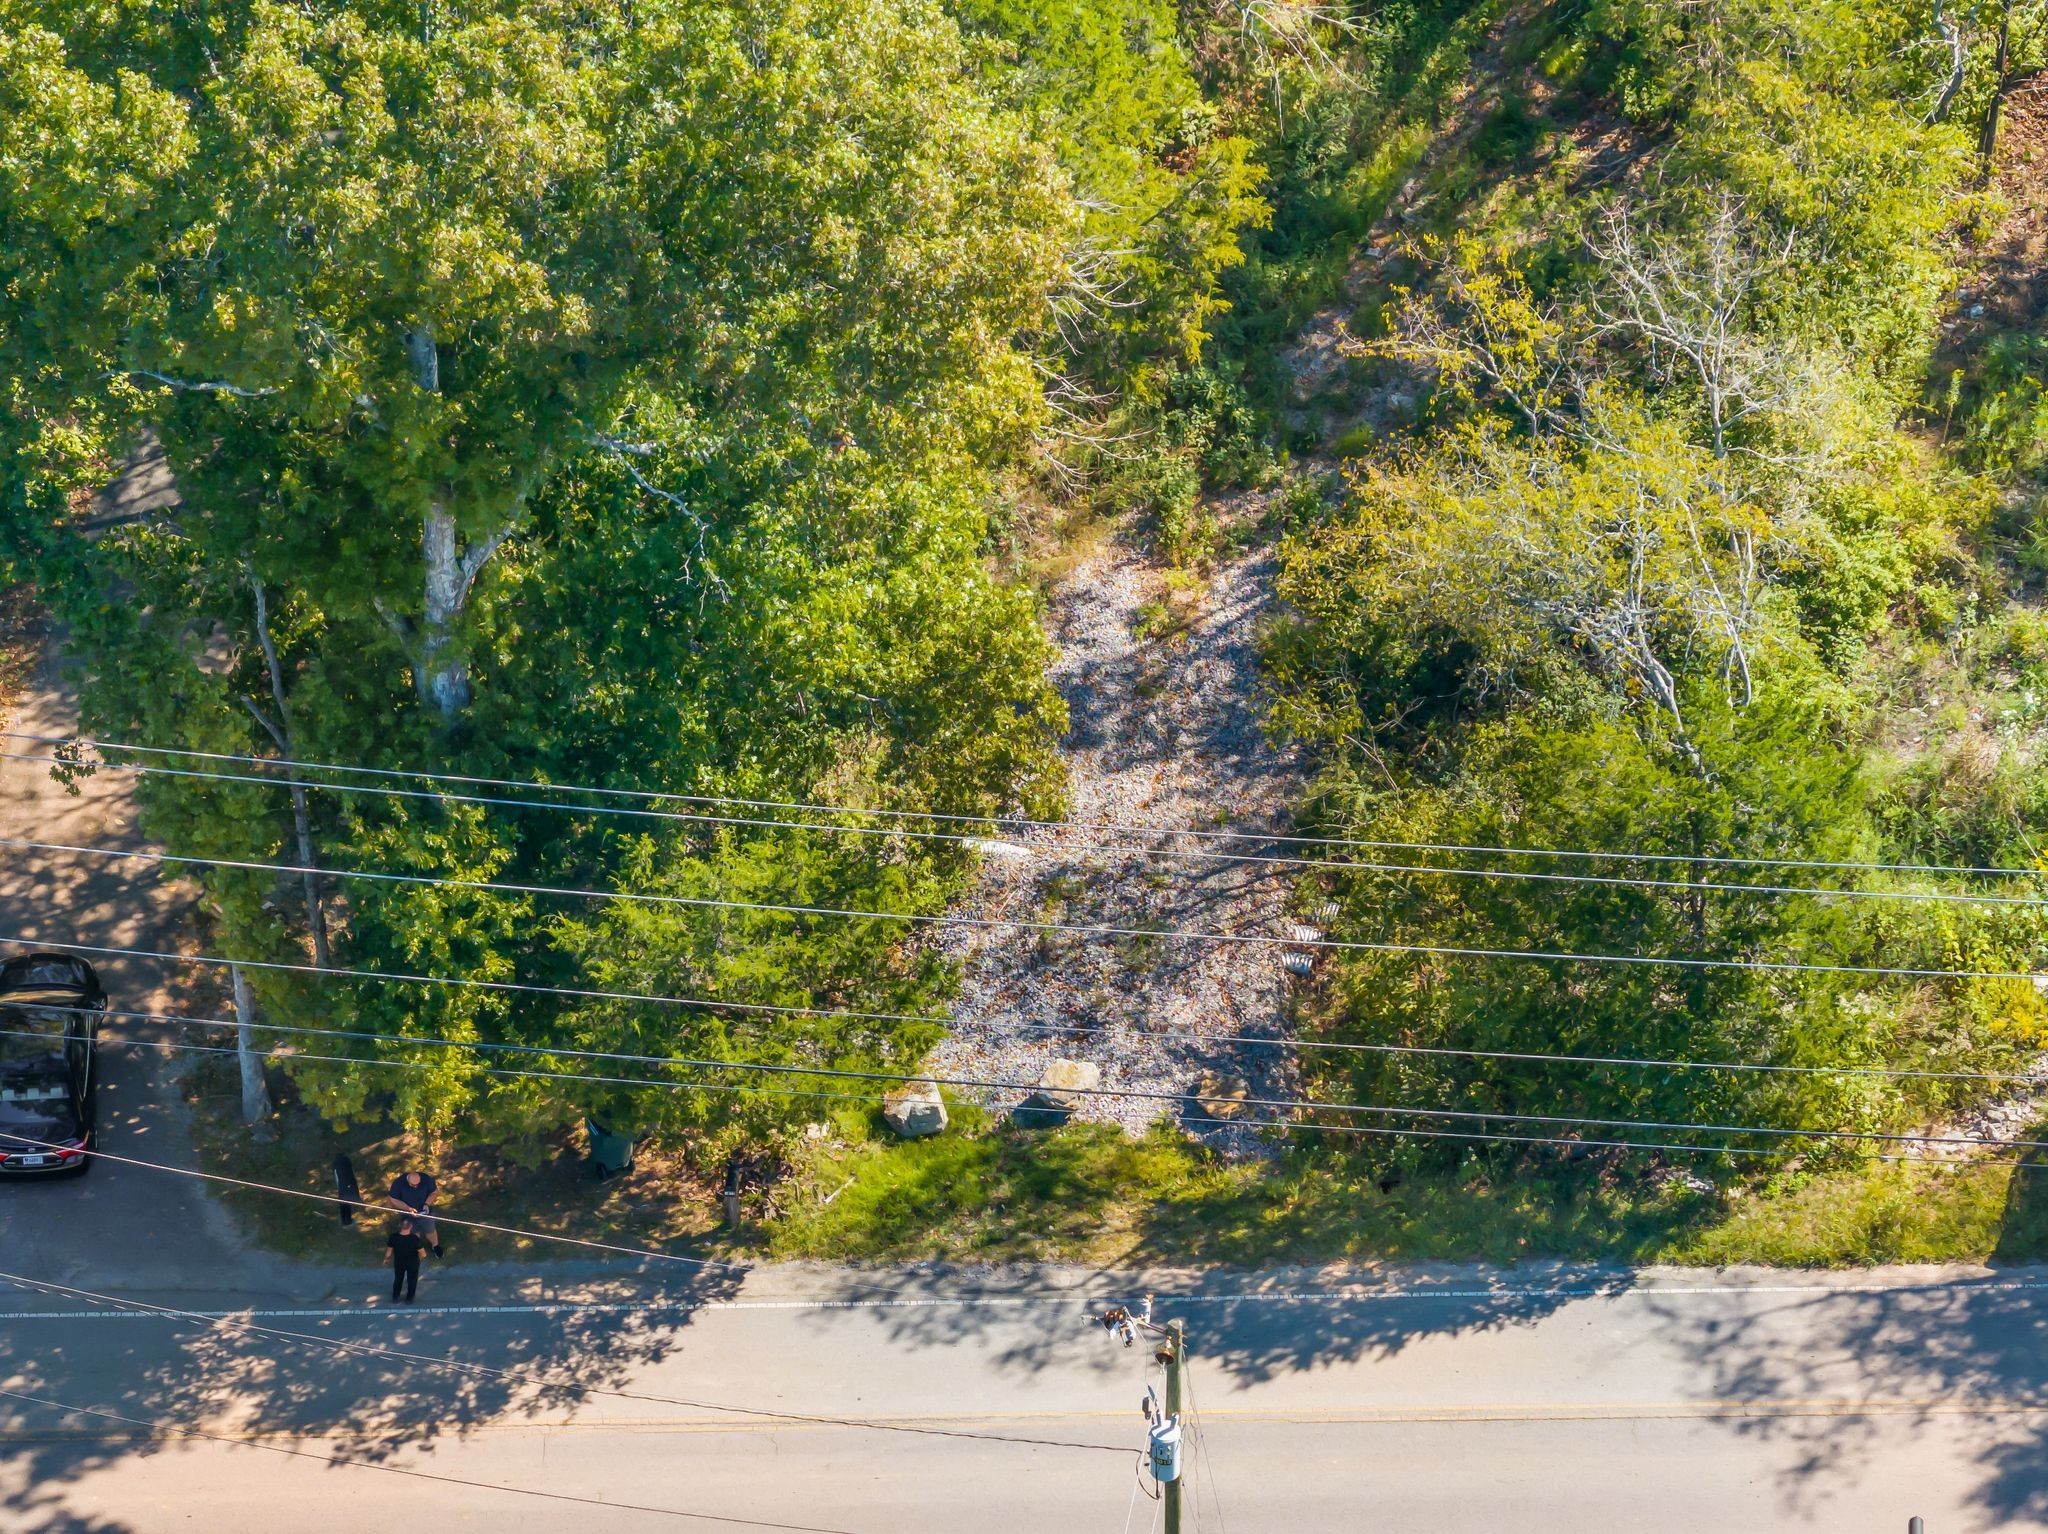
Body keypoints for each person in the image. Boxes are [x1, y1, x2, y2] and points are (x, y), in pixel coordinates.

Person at [386, 1167, 443, 1257]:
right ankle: (418, 1249)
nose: (416, 1187)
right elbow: (393, 1200)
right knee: (413, 1233)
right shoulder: (398, 1183)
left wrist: (427, 1204)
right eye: (413, 1185)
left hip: (426, 1212)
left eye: (418, 1184)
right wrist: (408, 1209)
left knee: (430, 1230)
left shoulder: (426, 1179)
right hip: (408, 1214)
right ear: (408, 1180)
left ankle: (435, 1246)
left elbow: (434, 1192)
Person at [384, 1216, 425, 1303]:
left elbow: (389, 1251)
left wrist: (386, 1259)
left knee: (398, 1279)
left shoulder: (393, 1237)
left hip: (399, 1262)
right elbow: (423, 1254)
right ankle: (409, 1298)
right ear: (411, 1226)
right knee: (412, 1280)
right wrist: (419, 1259)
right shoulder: (415, 1239)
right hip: (413, 1263)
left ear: (400, 1226)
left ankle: (395, 1297)